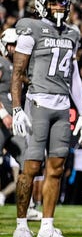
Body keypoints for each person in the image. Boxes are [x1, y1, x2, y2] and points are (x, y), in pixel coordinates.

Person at [11, 0, 82, 237]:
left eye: (62, 2)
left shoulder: (73, 33)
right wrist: (17, 107)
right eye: (54, 1)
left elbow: (74, 75)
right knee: (31, 166)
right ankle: (21, 226)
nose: (59, 6)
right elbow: (18, 73)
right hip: (38, 104)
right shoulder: (29, 28)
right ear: (42, 3)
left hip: (62, 106)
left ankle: (47, 227)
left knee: (56, 168)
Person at [0, 28, 27, 170]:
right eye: (14, 45)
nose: (17, 49)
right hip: (2, 120)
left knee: (28, 160)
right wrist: (3, 114)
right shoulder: (1, 63)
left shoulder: (18, 67)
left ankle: (24, 193)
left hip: (13, 123)